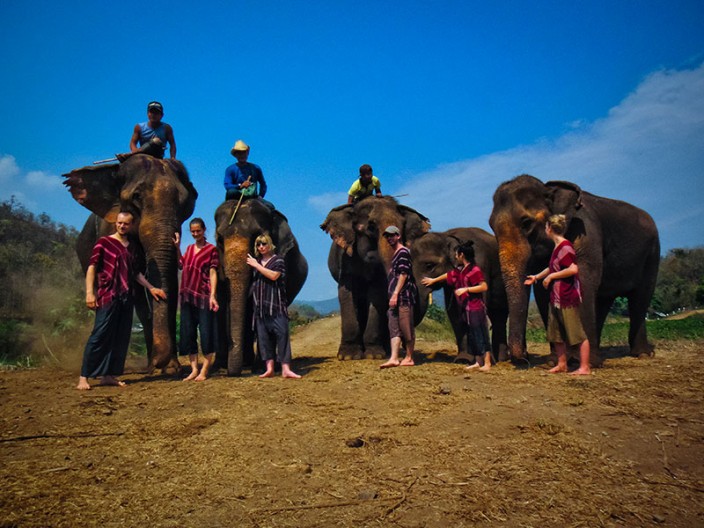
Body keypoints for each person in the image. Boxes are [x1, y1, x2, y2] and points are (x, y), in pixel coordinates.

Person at [76, 211, 167, 390]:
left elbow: (135, 273)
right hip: (108, 296)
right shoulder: (104, 242)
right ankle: (84, 377)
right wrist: (89, 293)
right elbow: (92, 267)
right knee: (99, 335)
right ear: (115, 223)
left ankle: (108, 375)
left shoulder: (132, 247)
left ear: (131, 225)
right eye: (119, 223)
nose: (122, 226)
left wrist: (151, 288)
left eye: (125, 224)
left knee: (120, 338)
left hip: (126, 297)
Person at [524, 214, 592, 375]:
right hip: (556, 296)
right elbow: (552, 267)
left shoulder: (566, 247)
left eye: (546, 227)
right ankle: (562, 364)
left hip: (567, 297)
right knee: (557, 333)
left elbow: (573, 269)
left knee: (576, 333)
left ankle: (585, 367)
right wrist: (536, 277)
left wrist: (551, 277)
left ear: (550, 228)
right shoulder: (557, 248)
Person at [421, 242, 492, 371]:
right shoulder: (460, 270)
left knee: (480, 333)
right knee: (471, 334)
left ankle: (487, 362)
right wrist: (433, 280)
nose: (455, 256)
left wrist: (466, 290)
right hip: (466, 307)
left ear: (462, 255)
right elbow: (448, 275)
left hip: (476, 307)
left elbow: (483, 286)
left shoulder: (474, 270)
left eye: (456, 254)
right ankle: (478, 360)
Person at [246, 233, 300, 379]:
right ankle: (269, 368)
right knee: (264, 340)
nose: (261, 247)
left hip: (276, 307)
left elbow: (274, 276)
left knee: (282, 336)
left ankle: (285, 369)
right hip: (260, 309)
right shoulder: (255, 262)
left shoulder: (278, 260)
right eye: (258, 244)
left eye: (264, 244)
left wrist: (256, 266)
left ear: (270, 245)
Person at [174, 218, 220, 381]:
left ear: (204, 230)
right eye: (192, 231)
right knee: (188, 334)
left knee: (207, 334)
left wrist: (213, 296)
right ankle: (194, 369)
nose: (195, 234)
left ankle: (204, 371)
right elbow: (181, 264)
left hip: (203, 297)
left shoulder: (211, 250)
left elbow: (213, 273)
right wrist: (178, 248)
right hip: (187, 297)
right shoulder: (189, 248)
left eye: (198, 231)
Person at [380, 226, 418, 368]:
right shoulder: (396, 253)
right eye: (387, 236)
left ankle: (409, 357)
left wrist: (395, 293)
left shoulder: (403, 252)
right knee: (394, 327)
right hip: (394, 299)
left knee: (406, 327)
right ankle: (394, 357)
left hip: (404, 297)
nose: (389, 238)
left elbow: (404, 274)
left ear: (398, 236)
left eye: (391, 235)